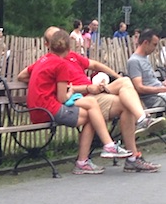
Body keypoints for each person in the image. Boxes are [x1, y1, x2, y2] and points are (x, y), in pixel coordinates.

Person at [19, 26, 163, 174]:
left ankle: (133, 146)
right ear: (48, 44)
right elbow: (29, 79)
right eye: (55, 38)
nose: (59, 41)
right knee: (121, 100)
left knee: (125, 86)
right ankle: (131, 136)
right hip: (81, 96)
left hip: (89, 92)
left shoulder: (68, 57)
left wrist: (113, 77)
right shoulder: (54, 62)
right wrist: (79, 87)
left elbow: (93, 64)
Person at [127, 28, 166, 108]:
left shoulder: (145, 58)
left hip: (160, 93)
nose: (155, 48)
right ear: (146, 43)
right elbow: (139, 88)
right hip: (153, 98)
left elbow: (150, 82)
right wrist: (162, 89)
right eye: (154, 44)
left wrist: (162, 84)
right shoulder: (134, 61)